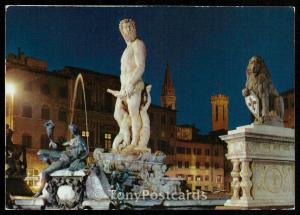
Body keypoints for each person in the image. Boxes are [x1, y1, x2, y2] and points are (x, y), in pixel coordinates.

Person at [113, 18, 146, 149]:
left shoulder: (138, 44)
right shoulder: (127, 49)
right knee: (117, 114)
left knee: (133, 111)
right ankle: (126, 138)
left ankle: (135, 142)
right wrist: (123, 87)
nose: (128, 30)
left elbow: (141, 66)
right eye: (125, 28)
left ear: (134, 28)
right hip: (124, 86)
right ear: (121, 31)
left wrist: (131, 83)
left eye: (130, 27)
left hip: (135, 83)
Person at [34, 123, 88, 198]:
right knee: (40, 152)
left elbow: (85, 151)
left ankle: (39, 191)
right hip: (61, 154)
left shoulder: (80, 140)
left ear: (75, 130)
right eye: (71, 130)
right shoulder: (74, 139)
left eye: (72, 130)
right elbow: (63, 144)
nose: (71, 131)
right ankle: (50, 164)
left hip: (66, 159)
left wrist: (78, 160)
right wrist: (54, 142)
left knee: (44, 172)